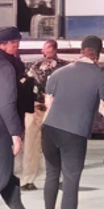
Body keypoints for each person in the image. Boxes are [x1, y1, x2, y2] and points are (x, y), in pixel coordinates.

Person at [42, 35, 104, 209]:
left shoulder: (59, 72)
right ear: (99, 53)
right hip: (74, 132)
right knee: (71, 181)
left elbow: (49, 102)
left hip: (49, 129)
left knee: (52, 172)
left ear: (81, 50)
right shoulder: (101, 77)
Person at [0, 27, 47, 209]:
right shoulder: (5, 66)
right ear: (5, 44)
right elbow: (6, 102)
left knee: (6, 174)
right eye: (14, 43)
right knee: (2, 172)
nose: (17, 47)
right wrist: (14, 132)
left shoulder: (10, 63)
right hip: (2, 127)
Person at [22, 39, 70, 190]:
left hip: (55, 109)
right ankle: (28, 179)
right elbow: (25, 86)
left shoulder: (64, 67)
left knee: (57, 144)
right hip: (36, 108)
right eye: (45, 48)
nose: (46, 50)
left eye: (48, 47)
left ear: (54, 49)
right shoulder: (34, 66)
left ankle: (59, 178)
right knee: (31, 144)